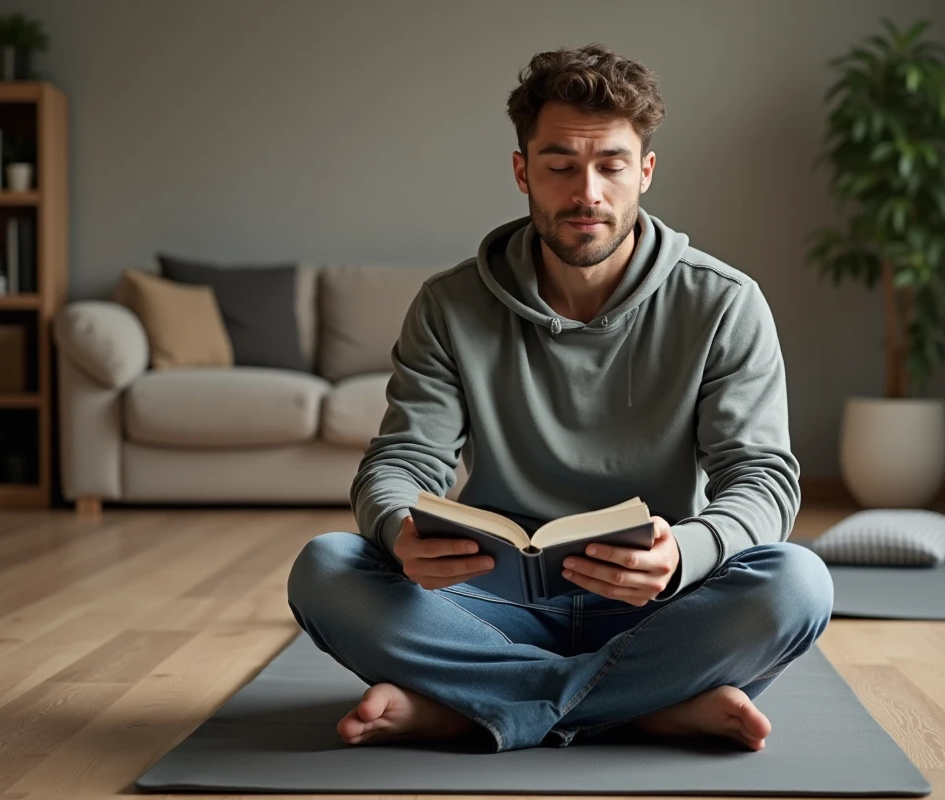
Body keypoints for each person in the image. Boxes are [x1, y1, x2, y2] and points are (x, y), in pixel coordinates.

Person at [287, 43, 834, 755]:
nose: (587, 194)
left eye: (610, 165)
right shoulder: (449, 306)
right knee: (326, 569)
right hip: (488, 601)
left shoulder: (725, 304)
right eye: (559, 166)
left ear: (645, 170)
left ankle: (467, 708)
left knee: (797, 584)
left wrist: (685, 553)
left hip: (654, 602)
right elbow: (401, 461)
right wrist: (398, 531)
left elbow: (761, 479)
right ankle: (647, 706)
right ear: (522, 171)